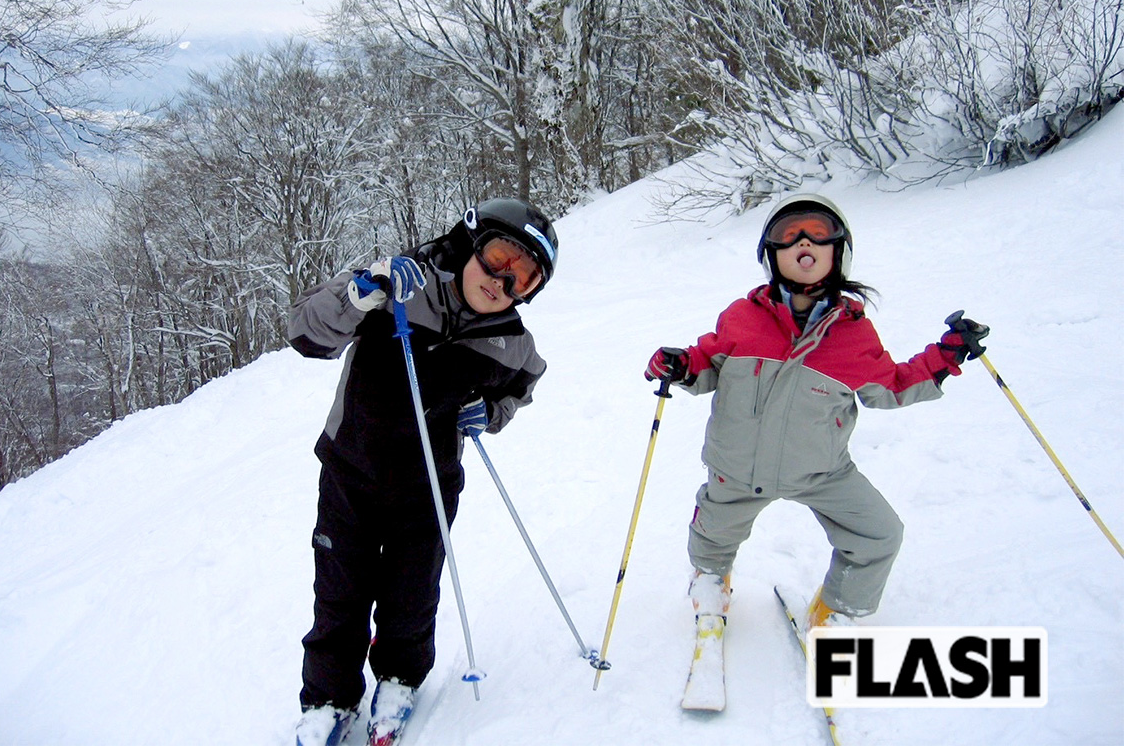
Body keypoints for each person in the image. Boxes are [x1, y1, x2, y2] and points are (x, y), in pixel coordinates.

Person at [644, 192, 989, 633]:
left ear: (838, 253)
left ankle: (834, 611)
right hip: (737, 468)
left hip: (820, 471)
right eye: (788, 235)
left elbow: (893, 386)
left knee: (879, 534)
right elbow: (708, 362)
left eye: (818, 234)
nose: (803, 242)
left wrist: (946, 357)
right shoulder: (743, 318)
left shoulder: (853, 336)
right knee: (714, 536)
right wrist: (680, 366)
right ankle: (711, 585)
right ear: (771, 255)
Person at [287, 198, 558, 746]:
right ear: (469, 243)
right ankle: (329, 699)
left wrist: (491, 412)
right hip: (351, 472)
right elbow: (305, 334)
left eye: (523, 278)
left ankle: (399, 679)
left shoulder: (511, 343)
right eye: (499, 258)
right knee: (340, 593)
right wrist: (357, 296)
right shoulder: (397, 287)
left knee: (411, 593)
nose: (502, 282)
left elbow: (523, 386)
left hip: (430, 484)